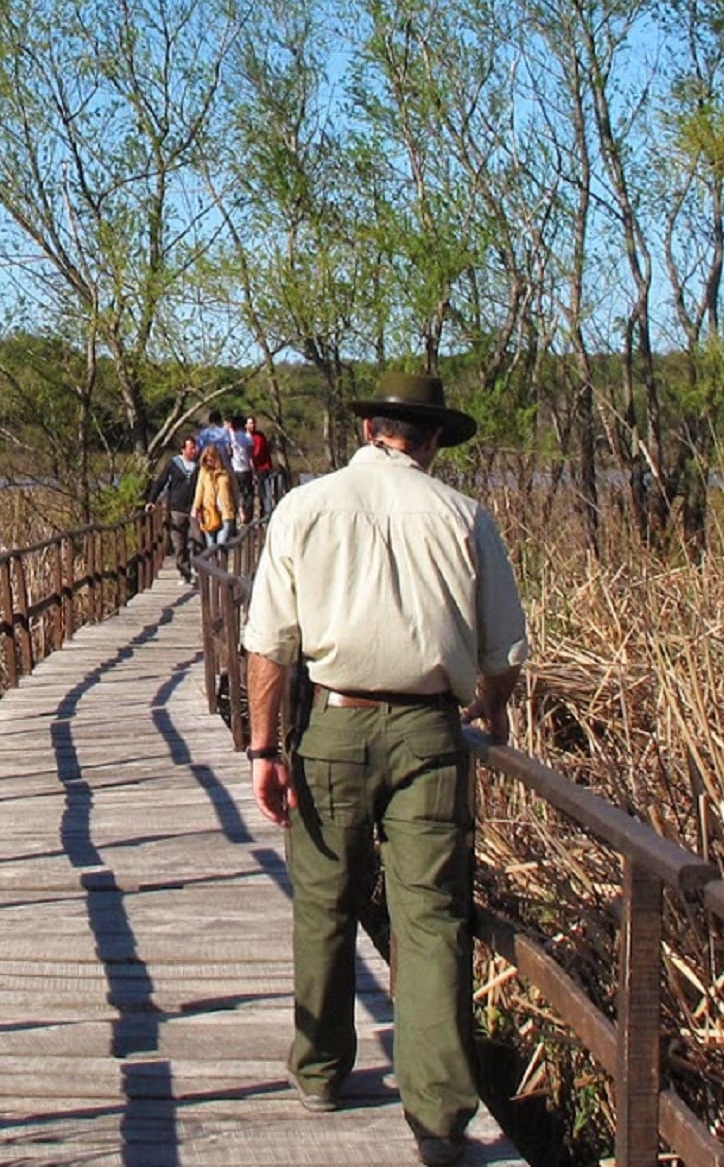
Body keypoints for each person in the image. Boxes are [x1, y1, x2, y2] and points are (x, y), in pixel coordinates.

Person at [239, 373, 528, 1167]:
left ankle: (322, 1071)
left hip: (333, 722)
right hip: (431, 734)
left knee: (324, 903)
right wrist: (491, 708)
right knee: (431, 919)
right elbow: (504, 650)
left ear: (369, 427)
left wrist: (265, 749)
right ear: (432, 440)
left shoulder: (304, 506)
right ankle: (438, 1114)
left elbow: (269, 643)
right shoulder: (465, 516)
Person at [145, 439, 202, 581]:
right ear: (183, 450)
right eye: (191, 448)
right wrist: (152, 500)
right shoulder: (173, 464)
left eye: (195, 448)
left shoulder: (200, 466)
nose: (194, 451)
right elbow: (160, 482)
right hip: (177, 508)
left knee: (197, 540)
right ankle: (184, 572)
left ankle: (197, 569)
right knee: (179, 543)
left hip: (194, 508)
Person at [192, 443, 239, 552]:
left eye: (211, 460)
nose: (209, 463)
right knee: (211, 545)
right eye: (206, 460)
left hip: (226, 511)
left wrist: (240, 508)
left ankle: (220, 565)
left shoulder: (227, 472)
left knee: (221, 543)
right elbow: (199, 490)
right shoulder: (203, 472)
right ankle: (213, 566)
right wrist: (196, 507)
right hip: (209, 511)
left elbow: (235, 491)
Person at [244, 415, 281, 515]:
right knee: (248, 493)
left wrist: (268, 466)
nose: (253, 425)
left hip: (262, 468)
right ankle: (249, 514)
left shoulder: (259, 436)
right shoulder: (244, 437)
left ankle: (264, 512)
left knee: (263, 492)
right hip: (246, 469)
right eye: (250, 423)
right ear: (246, 425)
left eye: (253, 423)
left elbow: (262, 452)